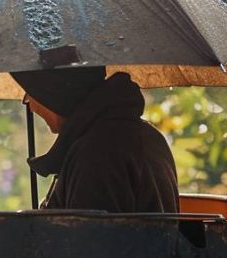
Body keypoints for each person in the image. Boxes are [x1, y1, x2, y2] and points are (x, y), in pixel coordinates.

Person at [10, 66, 179, 213]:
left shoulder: (97, 152)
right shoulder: (148, 135)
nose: (30, 105)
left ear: (53, 92)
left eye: (31, 93)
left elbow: (88, 244)